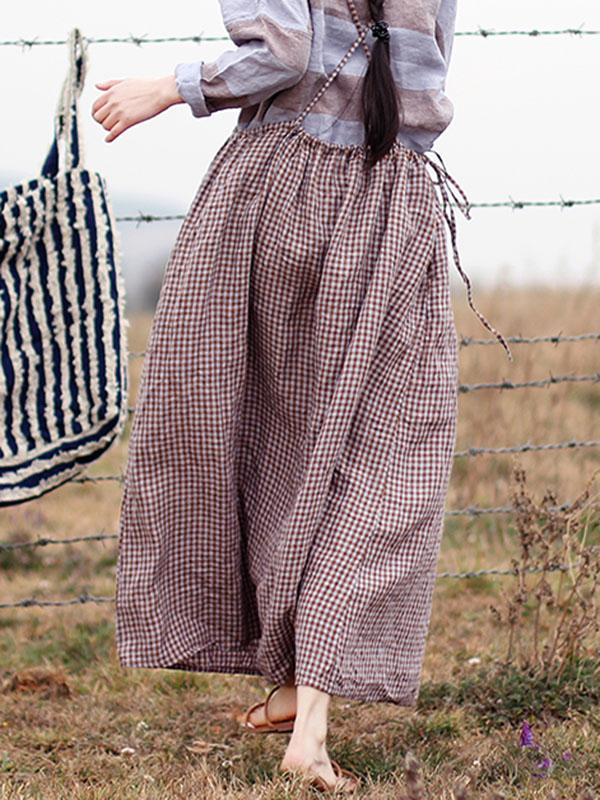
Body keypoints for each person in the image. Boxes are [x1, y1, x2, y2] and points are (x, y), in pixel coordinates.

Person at [92, 0, 512, 793]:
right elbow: (425, 70)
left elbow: (283, 50)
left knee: (268, 431)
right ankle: (306, 713)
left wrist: (171, 87)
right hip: (392, 197)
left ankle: (297, 696)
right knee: (382, 460)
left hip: (279, 188)